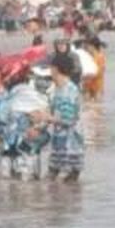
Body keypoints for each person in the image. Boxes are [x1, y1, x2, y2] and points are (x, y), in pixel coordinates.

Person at [36, 53, 84, 182]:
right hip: (59, 146)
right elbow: (52, 112)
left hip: (70, 149)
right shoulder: (57, 89)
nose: (49, 72)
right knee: (51, 184)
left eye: (50, 68)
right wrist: (39, 125)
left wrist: (47, 117)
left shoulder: (69, 91)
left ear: (56, 69)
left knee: (62, 188)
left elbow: (68, 119)